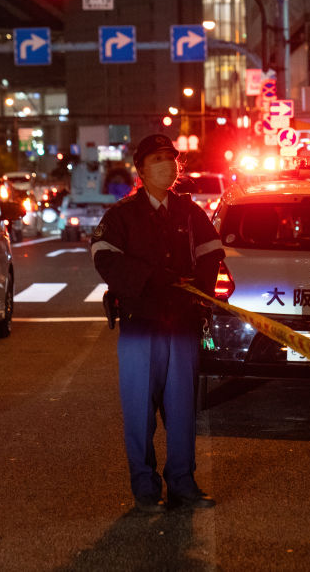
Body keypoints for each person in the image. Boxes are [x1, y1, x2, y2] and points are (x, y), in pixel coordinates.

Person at [90, 134, 225, 513]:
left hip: (181, 323)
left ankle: (183, 484)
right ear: (141, 169)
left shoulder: (189, 212)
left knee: (182, 410)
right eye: (159, 159)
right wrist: (152, 277)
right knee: (139, 411)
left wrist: (197, 289)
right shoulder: (121, 215)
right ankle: (145, 488)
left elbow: (213, 253)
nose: (168, 165)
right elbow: (103, 257)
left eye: (172, 158)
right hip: (140, 324)